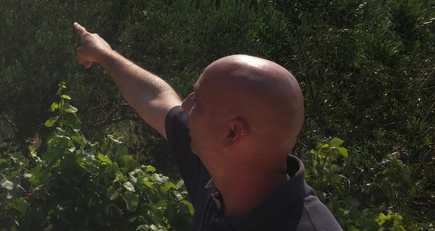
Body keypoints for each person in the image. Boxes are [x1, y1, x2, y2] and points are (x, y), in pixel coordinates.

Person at [73, 22, 342, 230]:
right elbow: (157, 99)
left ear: (232, 133)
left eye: (198, 102)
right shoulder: (218, 172)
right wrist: (104, 54)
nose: (185, 105)